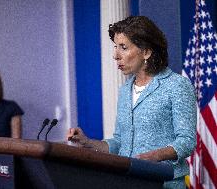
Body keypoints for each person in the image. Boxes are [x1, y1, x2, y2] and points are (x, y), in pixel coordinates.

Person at [67, 16, 196, 188]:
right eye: (115, 47)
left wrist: (154, 156)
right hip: (127, 181)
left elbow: (187, 141)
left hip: (164, 183)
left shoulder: (176, 85)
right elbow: (119, 142)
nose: (115, 55)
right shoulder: (125, 90)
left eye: (123, 47)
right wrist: (88, 143)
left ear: (146, 52)